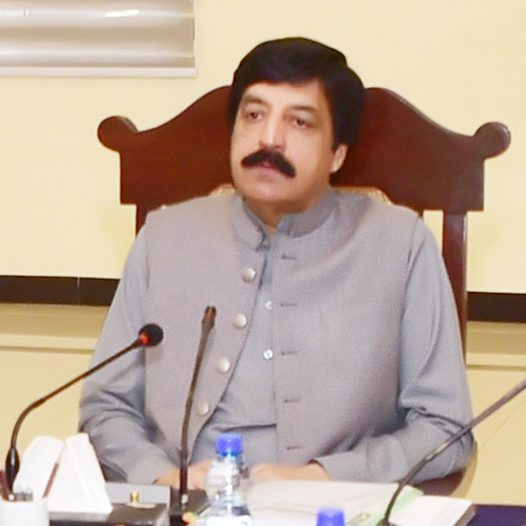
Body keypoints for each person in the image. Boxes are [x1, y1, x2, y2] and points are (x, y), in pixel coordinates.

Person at [79, 37, 473, 489]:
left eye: (299, 122)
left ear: (338, 154)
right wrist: (161, 477)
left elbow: (445, 428)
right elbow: (105, 407)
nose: (268, 139)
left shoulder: (400, 244)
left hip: (333, 507)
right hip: (183, 504)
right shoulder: (164, 237)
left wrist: (328, 476)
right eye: (253, 115)